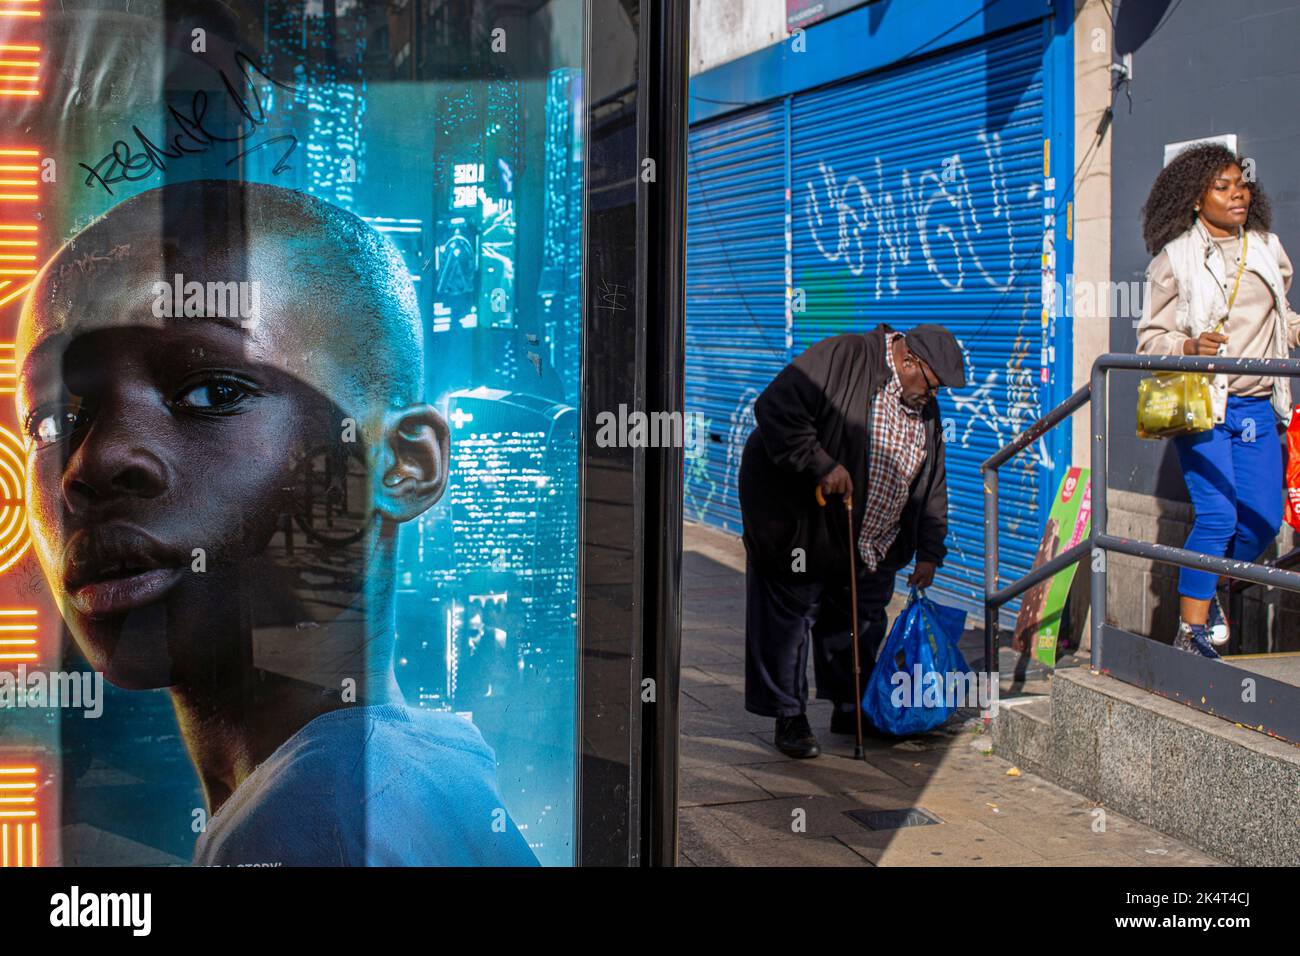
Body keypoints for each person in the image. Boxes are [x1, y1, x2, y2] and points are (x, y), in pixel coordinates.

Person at [17, 179, 538, 865]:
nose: (96, 460)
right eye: (53, 421)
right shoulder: (418, 778)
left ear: (403, 465)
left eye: (212, 391)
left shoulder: (307, 823)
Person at [738, 323, 966, 757]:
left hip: (871, 540)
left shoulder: (925, 410)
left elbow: (933, 484)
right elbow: (776, 407)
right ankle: (789, 717)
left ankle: (849, 706)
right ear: (909, 360)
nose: (934, 397)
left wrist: (930, 551)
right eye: (932, 386)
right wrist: (821, 464)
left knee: (858, 623)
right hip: (800, 525)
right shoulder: (846, 356)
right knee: (790, 621)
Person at [1136, 143, 1300, 659]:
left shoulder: (1267, 247)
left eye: (1242, 185)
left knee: (1263, 522)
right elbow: (1149, 341)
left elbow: (1282, 319)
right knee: (1217, 518)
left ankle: (1206, 590)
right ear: (1194, 198)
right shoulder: (1175, 259)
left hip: (1255, 407)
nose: (1238, 195)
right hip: (1204, 405)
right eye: (1223, 187)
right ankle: (1191, 633)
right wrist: (1188, 345)